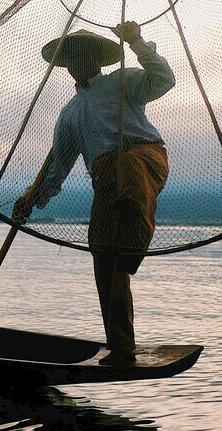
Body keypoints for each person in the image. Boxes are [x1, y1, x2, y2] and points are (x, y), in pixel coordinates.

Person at [12, 21, 174, 366]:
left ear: (98, 59)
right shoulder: (69, 114)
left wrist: (136, 42)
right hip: (106, 182)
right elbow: (56, 166)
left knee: (125, 181)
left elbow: (163, 80)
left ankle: (131, 247)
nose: (78, 62)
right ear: (67, 64)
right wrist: (31, 199)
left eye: (85, 55)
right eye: (72, 57)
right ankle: (121, 348)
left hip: (142, 159)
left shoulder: (121, 81)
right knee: (102, 254)